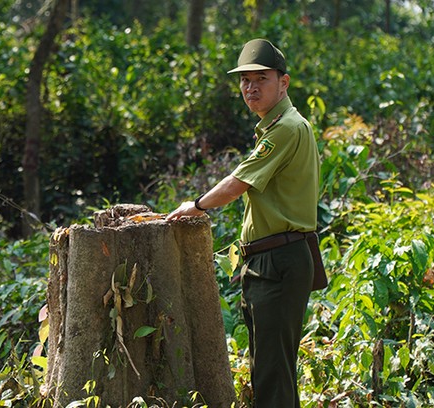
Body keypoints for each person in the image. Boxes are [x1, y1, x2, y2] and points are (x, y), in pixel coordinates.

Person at [166, 38, 320, 407]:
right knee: (271, 370)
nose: (251, 88)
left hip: (279, 260)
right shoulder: (278, 127)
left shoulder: (285, 129)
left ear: (283, 82)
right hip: (272, 258)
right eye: (245, 80)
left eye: (261, 79)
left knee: (272, 374)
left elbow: (237, 183)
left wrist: (197, 205)